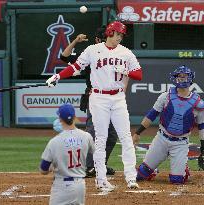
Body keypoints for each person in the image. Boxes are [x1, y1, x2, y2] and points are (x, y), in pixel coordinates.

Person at [46, 21, 143, 191]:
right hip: (98, 97)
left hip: (118, 98)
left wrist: (125, 71)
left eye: (121, 35)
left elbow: (139, 74)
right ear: (110, 32)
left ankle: (130, 178)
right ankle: (101, 179)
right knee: (100, 139)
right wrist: (57, 76)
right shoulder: (92, 50)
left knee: (126, 138)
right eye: (118, 34)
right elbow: (75, 67)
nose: (120, 37)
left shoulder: (126, 53)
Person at [133, 65, 204, 184]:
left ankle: (183, 170)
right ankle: (152, 170)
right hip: (162, 138)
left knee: (176, 180)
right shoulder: (166, 96)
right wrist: (138, 133)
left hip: (180, 143)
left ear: (190, 79)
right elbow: (152, 114)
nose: (181, 79)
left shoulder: (198, 102)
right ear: (175, 78)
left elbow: (202, 125)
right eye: (179, 77)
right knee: (141, 174)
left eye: (185, 77)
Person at [60, 27, 117, 178]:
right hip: (94, 97)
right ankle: (84, 167)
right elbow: (64, 57)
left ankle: (99, 165)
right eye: (104, 39)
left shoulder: (116, 53)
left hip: (111, 99)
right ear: (98, 40)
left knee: (111, 134)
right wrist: (75, 41)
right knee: (93, 133)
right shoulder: (90, 53)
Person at [40, 103, 95, 205]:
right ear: (75, 117)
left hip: (62, 187)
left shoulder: (54, 142)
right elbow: (96, 154)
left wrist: (52, 167)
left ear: (60, 119)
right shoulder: (87, 137)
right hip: (80, 186)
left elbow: (43, 169)